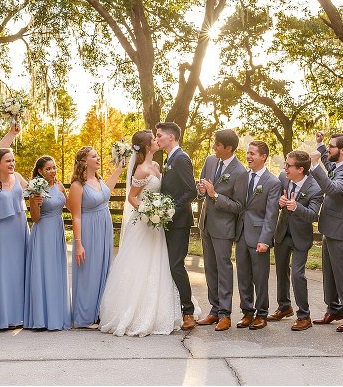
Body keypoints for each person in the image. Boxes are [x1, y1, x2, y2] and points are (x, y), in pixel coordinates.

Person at [98, 130, 182, 336]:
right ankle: (133, 312)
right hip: (144, 223)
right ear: (147, 146)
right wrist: (148, 212)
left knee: (158, 264)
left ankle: (160, 309)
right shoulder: (141, 170)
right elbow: (132, 198)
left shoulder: (156, 166)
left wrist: (158, 212)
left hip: (156, 225)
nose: (157, 141)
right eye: (154, 139)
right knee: (140, 263)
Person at [310, 132, 343, 331]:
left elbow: (332, 188)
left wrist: (314, 166)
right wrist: (322, 145)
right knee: (330, 273)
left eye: (332, 147)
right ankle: (334, 309)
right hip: (330, 228)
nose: (329, 150)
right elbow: (330, 163)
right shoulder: (342, 164)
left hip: (341, 231)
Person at [195, 129, 247, 332]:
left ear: (228, 148)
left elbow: (239, 206)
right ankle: (214, 310)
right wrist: (201, 191)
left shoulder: (240, 172)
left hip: (224, 228)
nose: (213, 147)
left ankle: (225, 314)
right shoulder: (210, 160)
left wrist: (214, 194)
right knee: (209, 268)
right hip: (206, 223)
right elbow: (201, 189)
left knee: (223, 269)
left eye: (217, 144)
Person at [69, 146, 126, 329]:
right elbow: (75, 216)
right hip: (89, 229)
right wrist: (78, 244)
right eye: (94, 156)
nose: (98, 158)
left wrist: (119, 170)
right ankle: (85, 317)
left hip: (104, 227)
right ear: (85, 162)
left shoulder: (98, 180)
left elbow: (106, 191)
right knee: (89, 271)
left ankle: (100, 312)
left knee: (103, 268)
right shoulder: (78, 185)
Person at [270, 150, 324, 331]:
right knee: (281, 271)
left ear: (300, 169)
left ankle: (304, 315)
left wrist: (296, 206)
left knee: (297, 275)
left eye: (288, 165)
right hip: (282, 233)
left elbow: (313, 216)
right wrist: (280, 202)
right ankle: (284, 307)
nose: (284, 168)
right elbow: (275, 201)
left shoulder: (315, 188)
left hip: (301, 237)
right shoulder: (283, 178)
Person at [156, 122, 199, 331]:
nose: (157, 139)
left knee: (176, 265)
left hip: (179, 222)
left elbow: (191, 191)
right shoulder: (169, 158)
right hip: (168, 221)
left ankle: (188, 312)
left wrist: (169, 208)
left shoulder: (181, 158)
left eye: (159, 135)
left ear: (171, 137)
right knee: (168, 265)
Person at [234, 140, 280, 330]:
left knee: (260, 277)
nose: (249, 156)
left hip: (260, 235)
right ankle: (246, 312)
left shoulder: (273, 182)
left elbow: (271, 214)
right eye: (247, 153)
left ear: (263, 157)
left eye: (253, 153)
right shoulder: (243, 177)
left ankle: (261, 314)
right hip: (241, 233)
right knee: (243, 275)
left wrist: (265, 240)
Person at [24, 155, 71, 331]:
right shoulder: (35, 190)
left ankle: (57, 314)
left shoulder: (59, 186)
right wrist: (35, 202)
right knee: (44, 271)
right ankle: (42, 317)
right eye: (48, 168)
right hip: (42, 232)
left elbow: (70, 207)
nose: (53, 171)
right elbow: (35, 218)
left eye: (54, 167)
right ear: (40, 171)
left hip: (57, 230)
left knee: (57, 271)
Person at [0, 147, 29, 331]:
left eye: (13, 160)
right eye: (8, 161)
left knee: (21, 270)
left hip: (20, 227)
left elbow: (35, 192)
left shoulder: (18, 177)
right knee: (5, 272)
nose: (12, 164)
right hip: (2, 232)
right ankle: (6, 316)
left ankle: (23, 315)